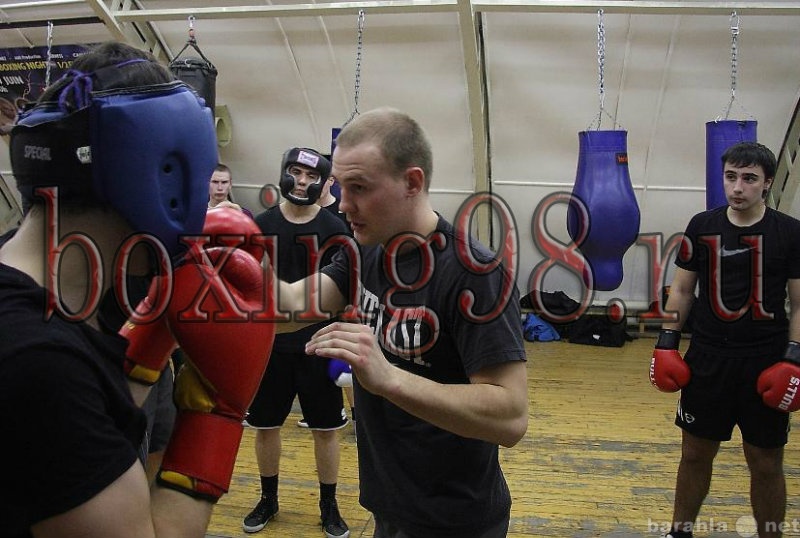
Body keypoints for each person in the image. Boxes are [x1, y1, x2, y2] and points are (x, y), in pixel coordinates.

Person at [0, 41, 272, 538]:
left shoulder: (47, 306)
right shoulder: (37, 359)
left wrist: (152, 330)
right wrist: (219, 413)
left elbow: (79, 431)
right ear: (166, 173)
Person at [279, 108, 529, 537]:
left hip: (454, 520)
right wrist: (221, 276)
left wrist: (388, 378)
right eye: (340, 187)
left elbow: (510, 417)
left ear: (412, 182)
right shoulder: (366, 249)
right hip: (389, 503)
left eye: (359, 187)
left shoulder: (475, 273)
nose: (343, 203)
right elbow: (294, 303)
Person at [649, 142, 800, 538]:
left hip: (765, 359)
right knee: (695, 454)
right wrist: (666, 343)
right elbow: (681, 291)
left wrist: (794, 359)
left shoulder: (789, 232)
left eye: (749, 179)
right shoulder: (702, 225)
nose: (738, 187)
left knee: (765, 462)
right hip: (709, 359)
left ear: (766, 183)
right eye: (731, 177)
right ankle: (678, 532)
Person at [243, 147, 351, 537]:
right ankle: (268, 499)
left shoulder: (336, 229)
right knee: (265, 425)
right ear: (283, 173)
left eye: (311, 177)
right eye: (295, 173)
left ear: (324, 184)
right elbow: (248, 288)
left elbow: (344, 292)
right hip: (270, 346)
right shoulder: (260, 225)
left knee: (326, 430)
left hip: (320, 345)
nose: (302, 182)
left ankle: (329, 504)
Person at [296, 175, 357, 431]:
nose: (306, 182)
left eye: (314, 177)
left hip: (339, 306)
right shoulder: (301, 214)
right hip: (312, 299)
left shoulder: (339, 219)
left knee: (346, 369)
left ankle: (356, 416)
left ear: (330, 180)